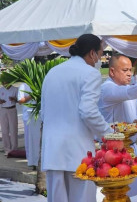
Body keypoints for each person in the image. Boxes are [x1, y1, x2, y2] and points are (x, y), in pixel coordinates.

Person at [41, 34, 113, 202]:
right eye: (101, 53)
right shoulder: (90, 73)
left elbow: (44, 113)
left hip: (53, 151)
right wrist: (108, 134)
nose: (100, 58)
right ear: (92, 53)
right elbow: (88, 111)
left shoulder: (53, 72)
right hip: (78, 152)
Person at [18, 82, 41, 168]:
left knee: (38, 139)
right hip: (28, 117)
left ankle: (37, 159)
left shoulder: (39, 82)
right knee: (29, 139)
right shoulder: (23, 85)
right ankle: (31, 160)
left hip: (39, 116)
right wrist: (32, 95)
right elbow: (20, 100)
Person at [0, 82, 18, 156]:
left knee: (13, 130)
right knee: (4, 130)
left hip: (12, 109)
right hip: (3, 110)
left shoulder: (15, 89)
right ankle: (7, 149)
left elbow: (19, 100)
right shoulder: (1, 89)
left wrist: (14, 99)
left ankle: (14, 149)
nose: (4, 83)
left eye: (6, 81)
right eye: (3, 82)